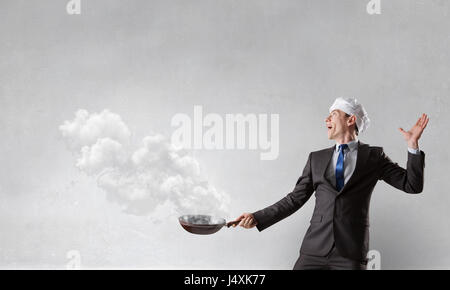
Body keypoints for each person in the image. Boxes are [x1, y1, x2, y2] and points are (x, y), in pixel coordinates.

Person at [231, 97, 429, 270]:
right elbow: (294, 199)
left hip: (350, 253)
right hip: (314, 249)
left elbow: (411, 185)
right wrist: (257, 217)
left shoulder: (373, 157)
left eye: (333, 114)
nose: (326, 119)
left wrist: (412, 146)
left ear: (351, 120)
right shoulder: (316, 159)